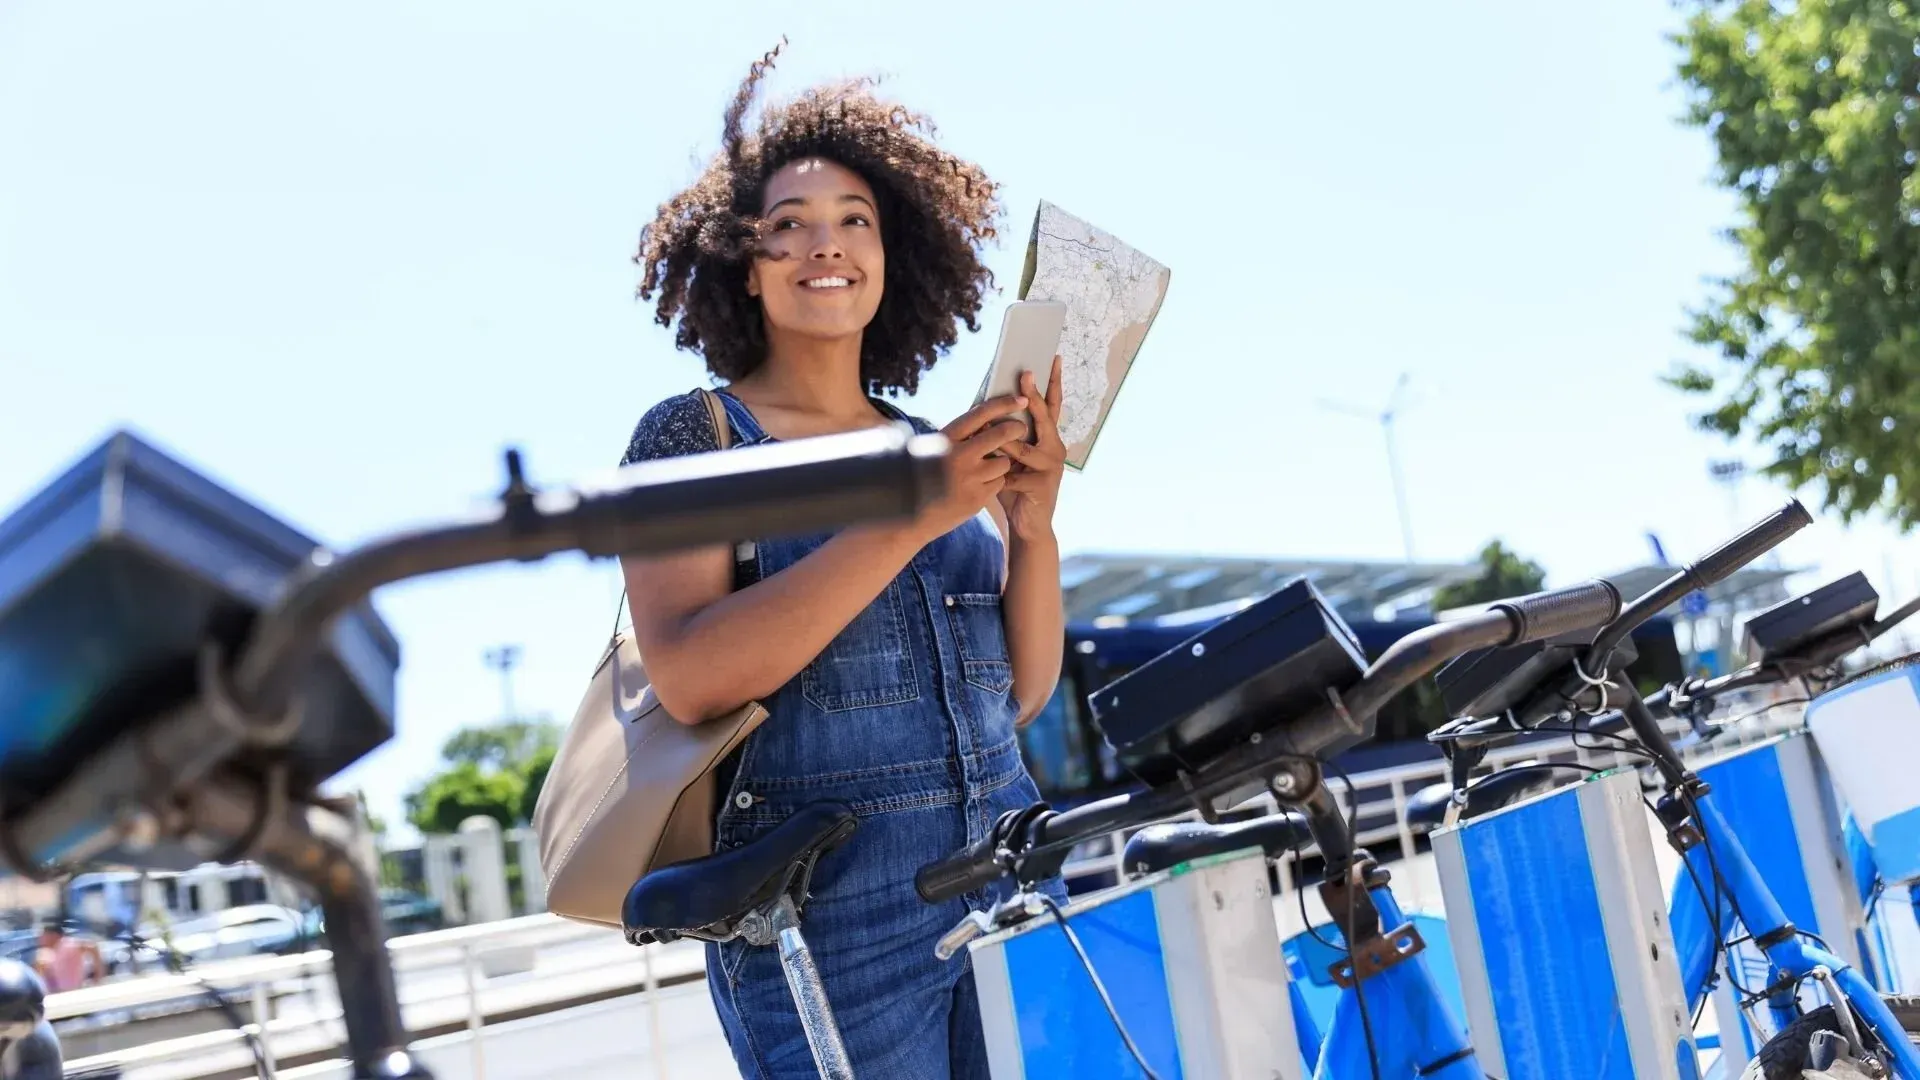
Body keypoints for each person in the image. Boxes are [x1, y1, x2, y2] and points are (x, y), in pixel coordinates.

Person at [618, 44, 1070, 1079]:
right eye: (790, 225)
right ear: (742, 260)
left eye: (855, 220)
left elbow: (1019, 695)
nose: (828, 245)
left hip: (1013, 866)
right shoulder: (697, 436)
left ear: (893, 250)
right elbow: (689, 674)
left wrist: (1032, 529)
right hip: (825, 919)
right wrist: (914, 518)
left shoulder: (933, 444)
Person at [30, 922, 99, 995]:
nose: (40, 939)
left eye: (43, 936)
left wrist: (98, 975)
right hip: (62, 993)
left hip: (74, 992)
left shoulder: (66, 944)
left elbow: (92, 947)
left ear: (53, 935)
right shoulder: (51, 952)